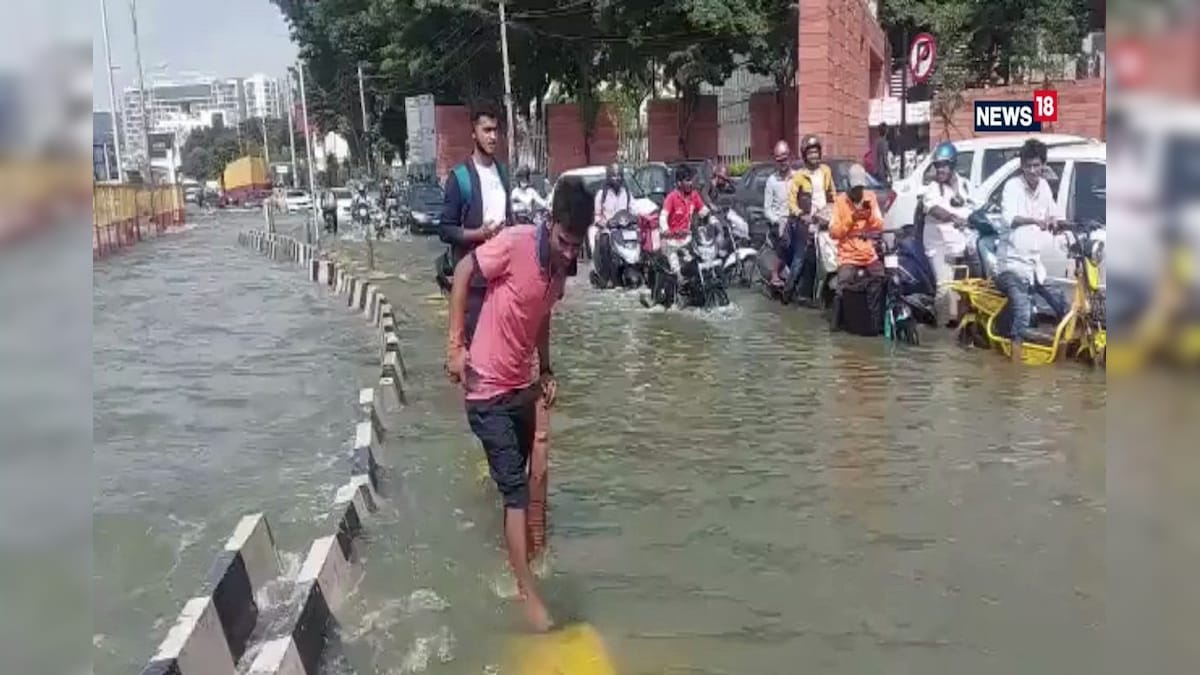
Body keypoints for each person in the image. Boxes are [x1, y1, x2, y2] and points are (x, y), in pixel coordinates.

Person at [445, 176, 590, 632]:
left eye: (577, 245)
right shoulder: (516, 243)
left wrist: (545, 368)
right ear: (551, 225)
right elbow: (466, 270)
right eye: (564, 242)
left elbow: (542, 314)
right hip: (485, 388)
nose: (569, 252)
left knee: (525, 480)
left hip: (521, 388)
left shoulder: (562, 270)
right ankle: (527, 595)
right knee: (516, 494)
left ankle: (519, 557)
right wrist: (455, 345)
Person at [438, 104, 514, 340]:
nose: (493, 137)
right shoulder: (459, 178)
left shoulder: (503, 173)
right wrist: (478, 234)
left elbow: (509, 218)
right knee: (475, 356)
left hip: (502, 281)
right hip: (473, 286)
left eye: (496, 131)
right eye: (487, 130)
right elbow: (445, 229)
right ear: (474, 133)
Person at [993, 139, 1069, 363]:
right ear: (1022, 166)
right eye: (1028, 166)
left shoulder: (1045, 187)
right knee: (1023, 312)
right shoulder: (1012, 187)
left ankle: (1061, 356)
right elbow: (1009, 218)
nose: (1033, 171)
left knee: (1063, 305)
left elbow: (1055, 214)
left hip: (1035, 266)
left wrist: (1058, 222)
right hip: (1010, 266)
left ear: (1043, 165)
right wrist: (1035, 220)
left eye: (1037, 165)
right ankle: (1015, 365)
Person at [922, 141, 975, 325]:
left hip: (961, 244)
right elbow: (934, 209)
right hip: (938, 246)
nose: (940, 170)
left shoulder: (966, 185)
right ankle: (942, 338)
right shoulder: (933, 188)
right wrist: (953, 217)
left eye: (943, 165)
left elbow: (975, 207)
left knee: (966, 290)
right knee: (944, 288)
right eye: (937, 166)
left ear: (952, 164)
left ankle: (962, 328)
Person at [788, 134, 837, 297]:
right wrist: (802, 214)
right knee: (800, 260)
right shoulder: (799, 176)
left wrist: (835, 209)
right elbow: (791, 202)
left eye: (816, 152)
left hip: (824, 222)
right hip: (806, 223)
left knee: (826, 258)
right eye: (810, 153)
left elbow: (832, 194)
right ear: (804, 155)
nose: (814, 156)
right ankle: (787, 294)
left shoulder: (826, 171)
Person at [830, 164, 885, 290]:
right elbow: (833, 232)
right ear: (849, 186)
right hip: (848, 257)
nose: (858, 192)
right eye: (855, 188)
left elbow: (880, 225)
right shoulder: (840, 201)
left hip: (869, 255)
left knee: (883, 280)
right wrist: (851, 219)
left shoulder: (870, 197)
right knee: (842, 288)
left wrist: (869, 215)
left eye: (860, 188)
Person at [658, 163, 710, 281]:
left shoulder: (694, 196)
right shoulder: (671, 198)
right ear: (679, 183)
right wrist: (666, 230)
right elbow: (663, 216)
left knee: (696, 267)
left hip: (687, 241)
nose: (690, 183)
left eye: (691, 180)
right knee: (677, 273)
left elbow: (703, 211)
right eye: (687, 180)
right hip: (671, 242)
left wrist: (711, 219)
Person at [763, 140, 794, 287]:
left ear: (790, 157)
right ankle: (775, 274)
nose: (783, 162)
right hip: (778, 224)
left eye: (785, 158)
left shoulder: (797, 177)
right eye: (779, 160)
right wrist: (778, 220)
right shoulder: (771, 181)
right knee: (786, 237)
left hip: (795, 219)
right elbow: (767, 209)